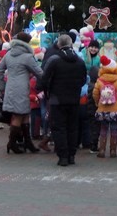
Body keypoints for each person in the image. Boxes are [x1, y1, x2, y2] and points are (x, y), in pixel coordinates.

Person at [39, 33, 87, 166]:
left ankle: (63, 156)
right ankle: (71, 155)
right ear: (71, 44)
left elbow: (44, 79)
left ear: (59, 44)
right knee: (73, 128)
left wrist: (45, 89)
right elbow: (84, 79)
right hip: (74, 99)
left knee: (59, 128)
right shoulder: (80, 61)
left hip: (57, 99)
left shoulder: (54, 60)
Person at [0, 32, 43, 154]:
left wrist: (2, 87)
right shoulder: (27, 57)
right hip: (22, 89)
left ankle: (27, 142)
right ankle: (11, 143)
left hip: (11, 88)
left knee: (24, 114)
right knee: (19, 115)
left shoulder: (9, 54)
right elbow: (39, 72)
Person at [92, 54, 117, 158]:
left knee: (103, 129)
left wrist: (98, 103)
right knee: (114, 129)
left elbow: (95, 94)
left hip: (102, 109)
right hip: (115, 109)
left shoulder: (100, 80)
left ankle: (102, 150)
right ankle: (113, 151)